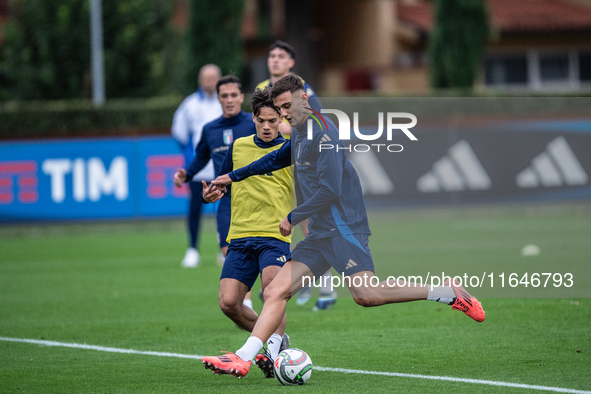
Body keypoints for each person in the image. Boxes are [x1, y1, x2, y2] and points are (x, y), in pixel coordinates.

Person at [201, 74, 485, 378]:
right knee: (274, 293)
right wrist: (230, 177)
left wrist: (292, 217)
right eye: (280, 108)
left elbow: (331, 190)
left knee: (367, 296)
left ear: (303, 100)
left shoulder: (325, 133)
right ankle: (242, 359)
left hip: (343, 227)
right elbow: (272, 161)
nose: (283, 114)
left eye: (286, 107)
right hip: (320, 234)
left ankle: (447, 292)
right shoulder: (298, 132)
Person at [200, 87, 292, 378]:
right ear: (253, 118)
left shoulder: (290, 148)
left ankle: (271, 348)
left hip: (274, 236)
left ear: (281, 119)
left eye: (273, 121)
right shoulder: (238, 146)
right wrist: (210, 195)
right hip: (240, 236)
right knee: (228, 302)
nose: (267, 126)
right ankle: (274, 339)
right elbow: (222, 184)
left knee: (271, 293)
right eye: (261, 120)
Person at [256, 40, 334, 309]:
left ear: (291, 63)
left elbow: (316, 121)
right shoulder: (261, 89)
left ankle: (324, 287)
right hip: (276, 166)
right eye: (271, 55)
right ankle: (290, 282)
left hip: (299, 163)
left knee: (306, 223)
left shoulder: (302, 88)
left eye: (281, 56)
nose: (274, 60)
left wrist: (282, 130)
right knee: (277, 222)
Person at [173, 75, 256, 309]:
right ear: (218, 99)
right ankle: (247, 304)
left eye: (233, 95)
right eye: (224, 96)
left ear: (241, 97)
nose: (229, 100)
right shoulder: (210, 129)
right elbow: (200, 158)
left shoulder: (254, 123)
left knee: (261, 253)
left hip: (257, 199)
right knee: (230, 253)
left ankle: (251, 303)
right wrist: (186, 175)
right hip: (228, 201)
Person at [171, 64, 222, 268]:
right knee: (194, 208)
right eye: (206, 78)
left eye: (213, 78)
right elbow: (180, 133)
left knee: (224, 210)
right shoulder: (190, 105)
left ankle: (224, 249)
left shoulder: (224, 103)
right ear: (200, 80)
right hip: (197, 169)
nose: (209, 82)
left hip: (221, 169)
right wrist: (192, 156)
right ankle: (192, 249)